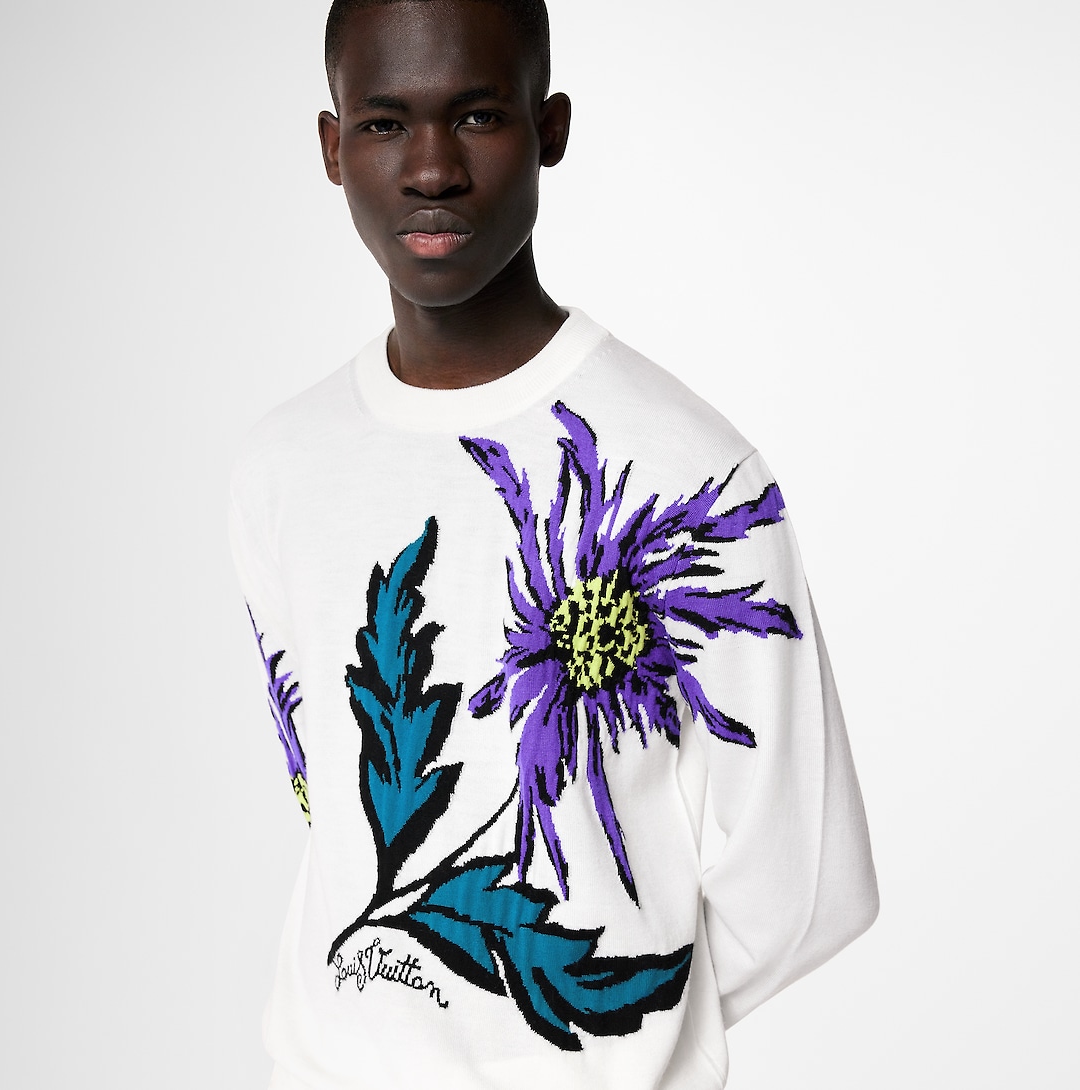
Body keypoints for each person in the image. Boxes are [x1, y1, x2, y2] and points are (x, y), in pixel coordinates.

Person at [228, 1, 879, 1087]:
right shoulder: (279, 466)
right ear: (333, 148)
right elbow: (322, 793)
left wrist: (607, 1041)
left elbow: (809, 885)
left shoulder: (694, 474)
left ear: (550, 128)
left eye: (477, 115)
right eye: (385, 123)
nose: (431, 170)